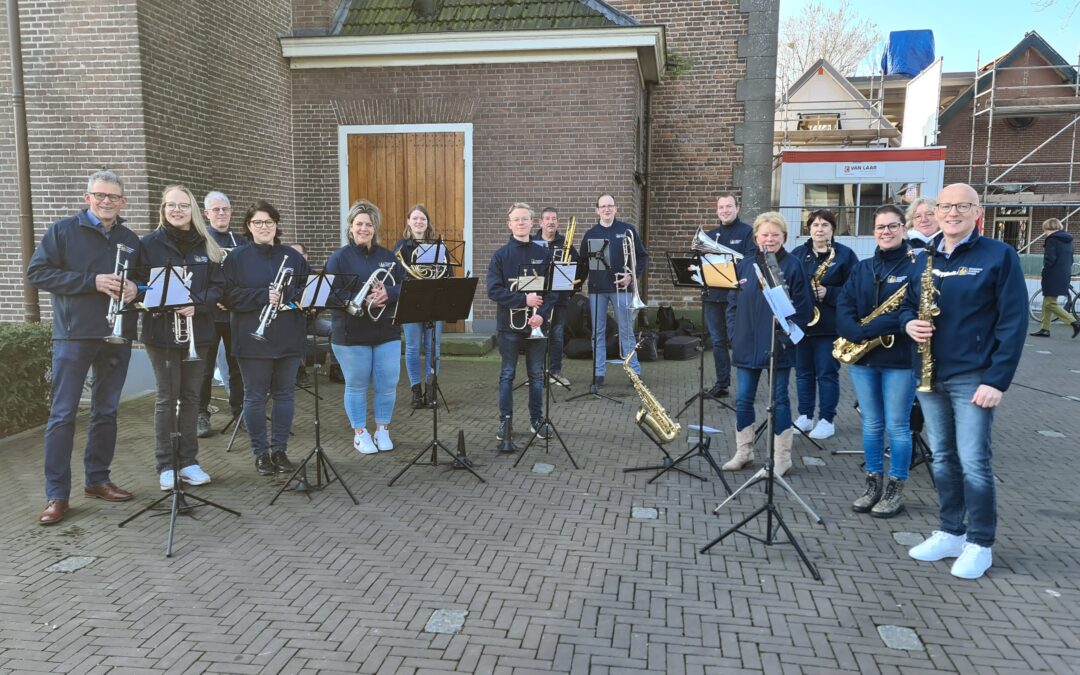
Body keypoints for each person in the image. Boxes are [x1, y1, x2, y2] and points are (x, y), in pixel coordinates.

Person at [900, 183, 1027, 580]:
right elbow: (907, 302)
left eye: (962, 206)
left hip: (973, 376)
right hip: (930, 373)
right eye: (945, 206)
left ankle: (980, 542)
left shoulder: (998, 255)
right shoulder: (925, 254)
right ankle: (951, 531)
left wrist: (997, 380)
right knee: (943, 458)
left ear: (977, 212)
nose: (952, 213)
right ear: (935, 212)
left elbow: (1014, 321)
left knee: (974, 462)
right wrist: (908, 322)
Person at [26, 170, 141, 525]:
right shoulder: (62, 231)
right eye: (100, 195)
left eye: (113, 197)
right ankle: (57, 494)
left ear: (123, 202)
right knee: (62, 415)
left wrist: (137, 289)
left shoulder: (130, 238)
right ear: (87, 197)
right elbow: (37, 273)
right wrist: (91, 281)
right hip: (74, 335)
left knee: (106, 412)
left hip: (115, 334)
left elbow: (146, 279)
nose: (106, 201)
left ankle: (98, 480)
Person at [137, 185, 224, 490]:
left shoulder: (207, 245)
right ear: (163, 209)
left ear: (193, 211)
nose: (176, 210)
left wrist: (197, 303)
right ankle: (165, 464)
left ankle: (188, 461)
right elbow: (136, 285)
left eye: (183, 205)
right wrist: (163, 296)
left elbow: (218, 287)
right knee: (166, 398)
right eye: (171, 205)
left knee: (190, 398)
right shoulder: (147, 244)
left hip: (197, 332)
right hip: (160, 331)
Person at [835, 205, 918, 518]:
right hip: (863, 358)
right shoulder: (864, 267)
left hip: (899, 358)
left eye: (892, 226)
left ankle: (896, 487)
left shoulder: (917, 265)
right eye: (881, 227)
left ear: (903, 228)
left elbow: (911, 310)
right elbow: (845, 302)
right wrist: (851, 330)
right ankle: (873, 484)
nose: (886, 231)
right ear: (874, 232)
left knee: (897, 426)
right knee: (871, 424)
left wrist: (869, 329)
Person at [721, 212, 812, 476]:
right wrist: (733, 333)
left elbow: (804, 310)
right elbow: (733, 303)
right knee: (743, 399)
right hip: (746, 343)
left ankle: (781, 458)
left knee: (780, 400)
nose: (769, 239)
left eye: (775, 235)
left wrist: (785, 341)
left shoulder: (794, 266)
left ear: (784, 237)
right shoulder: (745, 264)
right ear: (756, 237)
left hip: (778, 345)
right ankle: (744, 452)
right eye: (765, 234)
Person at [223, 200, 310, 476]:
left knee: (285, 396)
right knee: (255, 396)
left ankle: (280, 450)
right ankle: (260, 453)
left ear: (276, 225)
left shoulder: (292, 257)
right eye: (258, 222)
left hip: (287, 336)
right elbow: (226, 296)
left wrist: (291, 296)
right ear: (249, 226)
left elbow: (307, 290)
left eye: (269, 222)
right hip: (252, 338)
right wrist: (263, 295)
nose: (264, 227)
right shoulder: (236, 258)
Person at [325, 200, 404, 454]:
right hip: (351, 333)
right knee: (357, 384)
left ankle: (383, 429)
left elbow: (404, 287)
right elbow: (327, 294)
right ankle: (360, 432)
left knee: (388, 383)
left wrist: (387, 294)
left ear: (375, 228)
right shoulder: (339, 258)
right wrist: (352, 300)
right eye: (359, 224)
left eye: (368, 224)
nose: (363, 228)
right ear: (350, 227)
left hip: (386, 330)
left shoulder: (388, 257)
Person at [487, 202, 554, 449]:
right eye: (516, 219)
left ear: (532, 223)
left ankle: (536, 421)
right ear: (509, 224)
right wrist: (523, 299)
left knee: (537, 376)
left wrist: (542, 315)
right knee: (507, 375)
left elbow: (553, 292)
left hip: (536, 325)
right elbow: (493, 291)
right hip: (509, 327)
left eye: (525, 219)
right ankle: (505, 422)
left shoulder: (544, 254)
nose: (521, 223)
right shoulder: (500, 256)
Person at [790, 209, 857, 440]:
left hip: (829, 326)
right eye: (815, 225)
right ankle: (805, 416)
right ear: (809, 228)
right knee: (802, 373)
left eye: (825, 225)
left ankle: (827, 419)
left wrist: (829, 292)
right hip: (802, 326)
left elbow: (855, 292)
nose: (819, 229)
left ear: (832, 229)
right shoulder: (798, 254)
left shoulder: (845, 255)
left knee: (827, 374)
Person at [582, 193, 649, 391]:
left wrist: (632, 276)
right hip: (597, 290)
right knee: (598, 333)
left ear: (615, 209)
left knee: (627, 331)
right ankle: (598, 374)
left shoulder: (627, 230)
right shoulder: (590, 234)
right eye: (602, 206)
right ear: (597, 210)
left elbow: (642, 256)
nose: (606, 209)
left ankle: (634, 373)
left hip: (623, 289)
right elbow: (584, 263)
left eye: (610, 205)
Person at [198, 190, 245, 437]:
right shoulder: (200, 241)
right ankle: (201, 414)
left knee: (237, 365)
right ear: (206, 213)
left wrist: (234, 300)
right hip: (208, 314)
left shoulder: (242, 242)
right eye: (215, 210)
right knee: (205, 368)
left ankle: (240, 413)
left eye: (225, 209)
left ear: (231, 212)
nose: (221, 213)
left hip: (234, 314)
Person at [701, 193, 756, 397]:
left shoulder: (748, 232)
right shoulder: (710, 235)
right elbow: (699, 263)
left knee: (739, 341)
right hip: (712, 296)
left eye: (729, 206)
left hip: (737, 297)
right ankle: (722, 384)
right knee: (717, 342)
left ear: (737, 208)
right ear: (717, 210)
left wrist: (728, 260)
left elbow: (750, 261)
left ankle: (746, 387)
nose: (725, 210)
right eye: (721, 207)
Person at [393, 204, 443, 409]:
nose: (419, 222)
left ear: (428, 222)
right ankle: (416, 391)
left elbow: (445, 274)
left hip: (434, 303)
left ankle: (431, 389)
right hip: (412, 302)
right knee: (413, 348)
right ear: (408, 221)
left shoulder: (438, 247)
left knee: (434, 348)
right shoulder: (401, 247)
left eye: (422, 218)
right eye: (415, 218)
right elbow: (396, 275)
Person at [532, 206, 585, 387]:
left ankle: (555, 372)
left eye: (554, 218)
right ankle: (536, 373)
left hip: (560, 298)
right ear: (541, 222)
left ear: (557, 223)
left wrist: (573, 288)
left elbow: (580, 266)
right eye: (547, 218)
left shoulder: (566, 244)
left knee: (556, 335)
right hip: (538, 298)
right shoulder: (532, 243)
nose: (550, 222)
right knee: (537, 336)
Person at [1029, 218, 1078, 338]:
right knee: (1048, 301)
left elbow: (1050, 259)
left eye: (1045, 229)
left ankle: (1074, 322)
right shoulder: (1069, 241)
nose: (1044, 232)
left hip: (1053, 274)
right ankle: (1045, 329)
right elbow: (1071, 259)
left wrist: (1045, 270)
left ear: (1049, 228)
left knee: (1050, 303)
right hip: (1064, 273)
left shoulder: (1051, 239)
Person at [289, 242, 313, 388]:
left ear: (305, 256)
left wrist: (315, 308)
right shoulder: (287, 276)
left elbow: (320, 301)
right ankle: (300, 371)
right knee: (299, 332)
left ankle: (336, 369)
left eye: (298, 255)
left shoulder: (313, 275)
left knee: (332, 328)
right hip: (293, 321)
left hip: (312, 320)